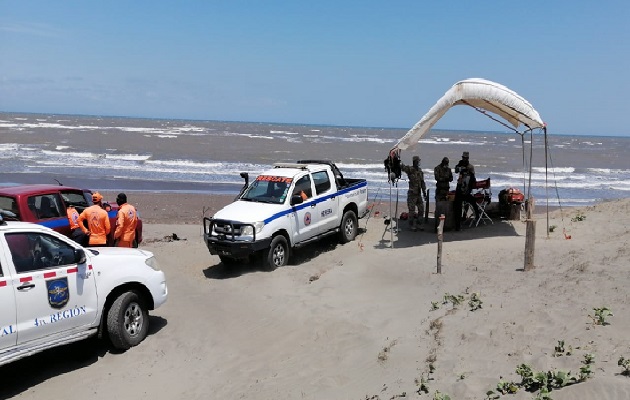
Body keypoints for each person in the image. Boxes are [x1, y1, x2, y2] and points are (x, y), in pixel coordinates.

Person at [401, 155, 427, 231]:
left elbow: (422, 182)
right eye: (418, 161)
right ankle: (411, 225)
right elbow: (403, 167)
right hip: (412, 193)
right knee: (412, 211)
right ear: (415, 161)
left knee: (421, 209)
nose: (419, 162)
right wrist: (398, 160)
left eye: (419, 161)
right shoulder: (410, 169)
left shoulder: (420, 171)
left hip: (419, 194)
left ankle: (419, 224)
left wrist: (424, 192)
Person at [454, 151, 478, 230]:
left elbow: (473, 179)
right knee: (458, 207)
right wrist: (461, 168)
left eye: (465, 158)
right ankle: (457, 224)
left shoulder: (470, 167)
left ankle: (475, 217)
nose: (464, 159)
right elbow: (456, 170)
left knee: (472, 203)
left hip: (467, 190)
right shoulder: (460, 164)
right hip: (460, 190)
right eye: (463, 158)